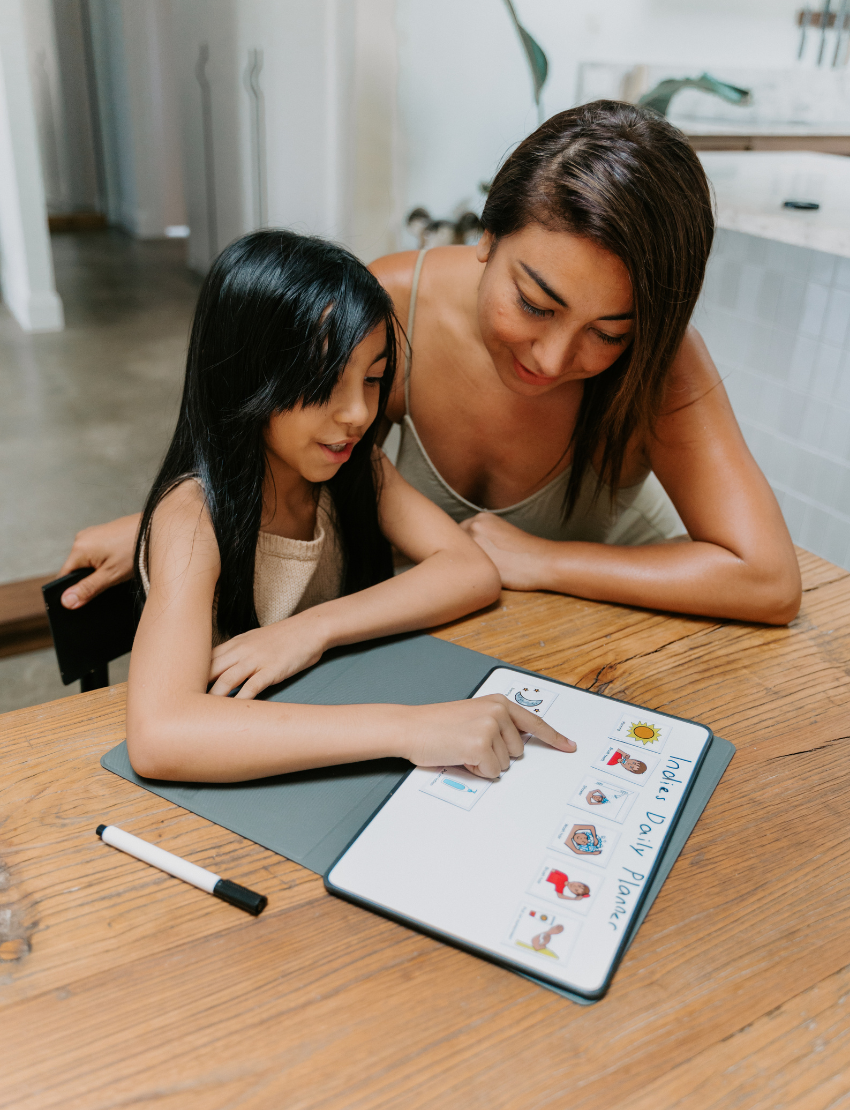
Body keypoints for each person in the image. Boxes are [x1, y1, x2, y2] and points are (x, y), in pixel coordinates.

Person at [58, 101, 801, 624]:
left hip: (613, 615)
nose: (554, 356)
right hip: (455, 618)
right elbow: (287, 439)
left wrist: (543, 561)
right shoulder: (394, 306)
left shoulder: (665, 362)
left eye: (608, 332)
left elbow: (767, 579)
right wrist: (178, 516)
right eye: (535, 304)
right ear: (487, 236)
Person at [124, 230, 574, 782]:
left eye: (374, 378)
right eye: (325, 382)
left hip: (329, 722)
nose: (360, 414)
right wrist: (407, 730)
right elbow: (160, 734)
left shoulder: (356, 469)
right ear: (246, 374)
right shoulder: (193, 518)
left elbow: (470, 571)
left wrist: (310, 630)